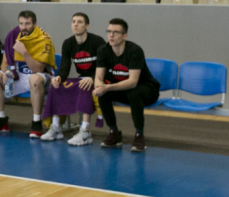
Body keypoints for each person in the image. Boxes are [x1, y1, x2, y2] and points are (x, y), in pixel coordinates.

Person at [0, 11, 56, 138]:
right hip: (17, 75)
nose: (24, 27)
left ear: (35, 24)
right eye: (21, 23)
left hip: (41, 78)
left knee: (34, 79)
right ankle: (2, 120)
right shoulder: (13, 36)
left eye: (27, 24)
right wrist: (7, 72)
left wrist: (24, 51)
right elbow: (4, 63)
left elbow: (38, 69)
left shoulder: (43, 38)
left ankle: (36, 122)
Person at [95, 18, 160, 152]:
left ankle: (139, 135)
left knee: (133, 92)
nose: (111, 35)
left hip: (147, 89)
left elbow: (133, 82)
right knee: (103, 95)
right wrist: (99, 87)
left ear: (125, 36)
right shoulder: (103, 50)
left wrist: (108, 87)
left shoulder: (134, 50)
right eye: (109, 31)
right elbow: (98, 76)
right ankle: (114, 132)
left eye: (116, 32)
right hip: (122, 88)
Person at [41, 13, 107, 145]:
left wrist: (93, 78)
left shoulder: (98, 41)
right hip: (82, 78)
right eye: (73, 22)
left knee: (84, 86)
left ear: (87, 26)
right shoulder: (68, 43)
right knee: (56, 85)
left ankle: (85, 131)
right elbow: (65, 67)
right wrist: (59, 77)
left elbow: (104, 65)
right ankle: (56, 127)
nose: (75, 24)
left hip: (98, 78)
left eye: (80, 22)